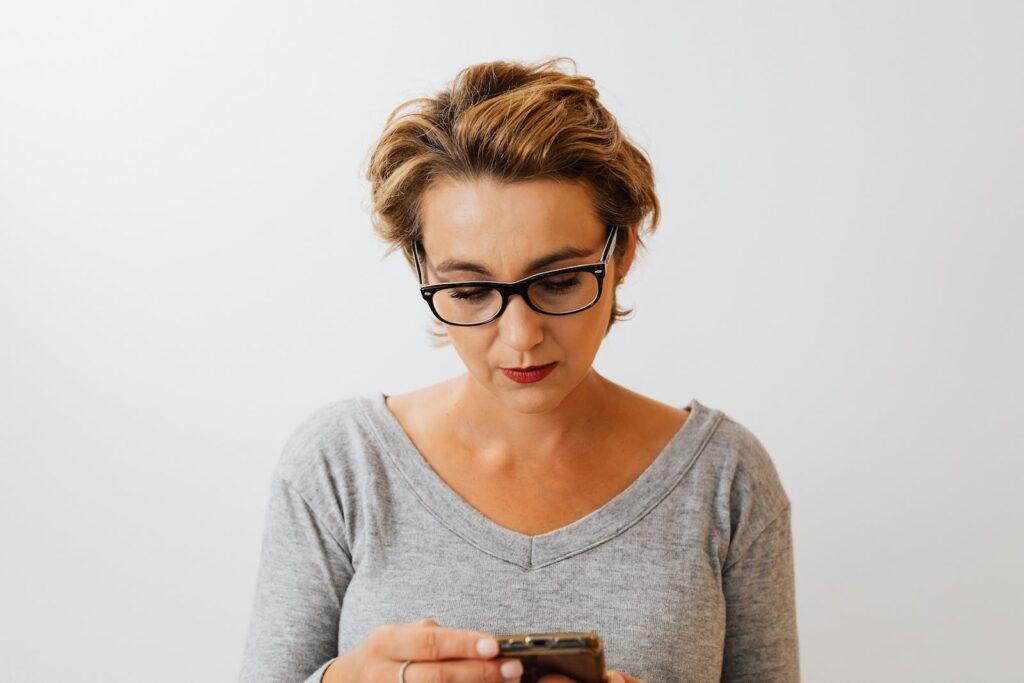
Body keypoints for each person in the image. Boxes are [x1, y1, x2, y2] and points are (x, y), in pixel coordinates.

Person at [239, 57, 799, 683]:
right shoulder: (339, 467)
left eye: (560, 282)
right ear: (421, 271)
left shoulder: (726, 480)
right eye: (470, 291)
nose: (521, 337)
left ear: (623, 254)